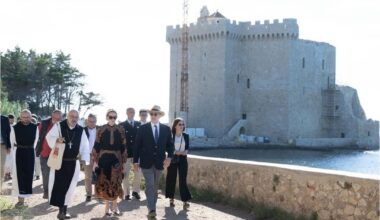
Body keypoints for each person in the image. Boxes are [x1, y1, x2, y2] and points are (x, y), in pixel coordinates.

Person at [46, 110, 90, 220]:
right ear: (68, 116)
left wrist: (84, 159)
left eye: (76, 117)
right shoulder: (59, 126)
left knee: (70, 187)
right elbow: (48, 137)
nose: (74, 119)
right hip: (59, 162)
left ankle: (64, 211)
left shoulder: (80, 130)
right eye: (72, 116)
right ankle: (61, 210)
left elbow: (85, 145)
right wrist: (57, 140)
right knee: (59, 186)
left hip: (73, 162)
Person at [134, 105, 174, 218]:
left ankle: (152, 207)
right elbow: (137, 146)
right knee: (150, 184)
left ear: (159, 116)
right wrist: (135, 162)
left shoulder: (166, 129)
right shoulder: (143, 128)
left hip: (160, 163)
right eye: (151, 114)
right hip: (146, 163)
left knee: (154, 187)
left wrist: (169, 157)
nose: (153, 116)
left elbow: (170, 146)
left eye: (155, 114)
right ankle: (152, 209)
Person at [93, 109, 127, 217]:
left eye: (114, 117)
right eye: (110, 117)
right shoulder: (101, 129)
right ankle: (107, 208)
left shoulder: (121, 129)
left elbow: (123, 147)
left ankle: (115, 206)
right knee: (105, 183)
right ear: (107, 117)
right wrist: (95, 162)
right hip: (103, 159)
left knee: (116, 182)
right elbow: (97, 145)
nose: (112, 119)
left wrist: (124, 163)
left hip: (116, 159)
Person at [10, 109, 39, 207]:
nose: (25, 119)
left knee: (28, 176)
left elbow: (35, 142)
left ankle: (24, 198)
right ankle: (20, 200)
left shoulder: (35, 127)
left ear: (31, 117)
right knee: (19, 176)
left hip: (30, 153)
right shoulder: (15, 128)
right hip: (18, 153)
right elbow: (12, 142)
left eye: (27, 117)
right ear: (20, 117)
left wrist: (30, 150)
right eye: (23, 117)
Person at [165, 118, 192, 208]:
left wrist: (184, 152)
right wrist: (175, 152)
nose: (181, 126)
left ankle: (185, 201)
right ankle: (171, 199)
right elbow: (167, 148)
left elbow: (187, 147)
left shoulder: (186, 136)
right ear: (175, 126)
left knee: (183, 180)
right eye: (179, 124)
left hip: (183, 159)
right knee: (171, 178)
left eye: (182, 124)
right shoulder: (170, 135)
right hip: (173, 159)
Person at [35, 110, 62, 199]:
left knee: (56, 175)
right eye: (55, 118)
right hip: (45, 153)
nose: (56, 120)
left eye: (58, 118)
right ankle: (46, 191)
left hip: (57, 154)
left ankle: (54, 192)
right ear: (51, 116)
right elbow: (37, 136)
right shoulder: (44, 124)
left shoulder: (62, 126)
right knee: (46, 174)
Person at [120, 107, 141, 200]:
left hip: (137, 154)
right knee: (125, 174)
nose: (131, 113)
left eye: (133, 112)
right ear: (126, 113)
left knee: (138, 173)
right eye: (130, 112)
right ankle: (126, 193)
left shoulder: (139, 124)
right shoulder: (121, 125)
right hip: (126, 154)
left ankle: (135, 192)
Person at [83, 113, 97, 202]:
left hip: (98, 156)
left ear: (96, 122)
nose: (91, 123)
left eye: (93, 121)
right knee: (88, 176)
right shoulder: (82, 130)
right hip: (86, 155)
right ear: (87, 121)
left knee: (99, 175)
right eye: (90, 121)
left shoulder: (100, 130)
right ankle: (88, 194)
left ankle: (97, 193)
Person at [1, 114, 12, 191]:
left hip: (2, 146)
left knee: (1, 167)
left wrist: (9, 146)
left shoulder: (4, 119)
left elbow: (8, 133)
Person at [31, 116, 41, 181]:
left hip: (37, 149)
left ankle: (37, 174)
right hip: (31, 149)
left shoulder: (38, 128)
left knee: (37, 162)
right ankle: (34, 174)